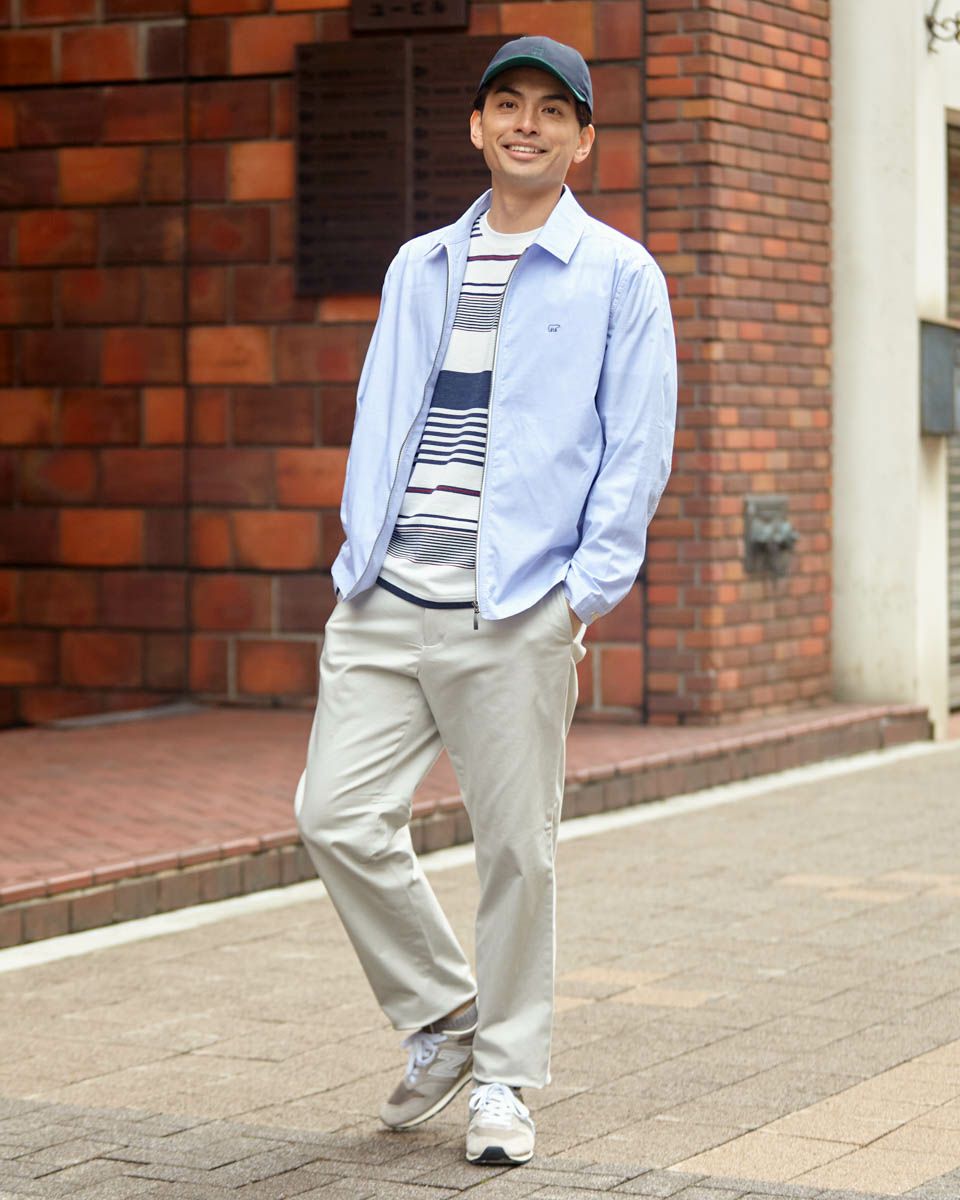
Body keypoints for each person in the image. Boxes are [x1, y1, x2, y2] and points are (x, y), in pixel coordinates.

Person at [294, 34, 678, 1167]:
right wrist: (360, 550)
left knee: (517, 852)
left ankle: (503, 1079)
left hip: (514, 608)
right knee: (334, 817)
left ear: (583, 140)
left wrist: (580, 597)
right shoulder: (418, 265)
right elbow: (379, 409)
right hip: (386, 593)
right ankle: (447, 1015)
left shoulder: (619, 275)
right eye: (507, 104)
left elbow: (637, 449)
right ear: (476, 126)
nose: (527, 125)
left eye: (553, 112)